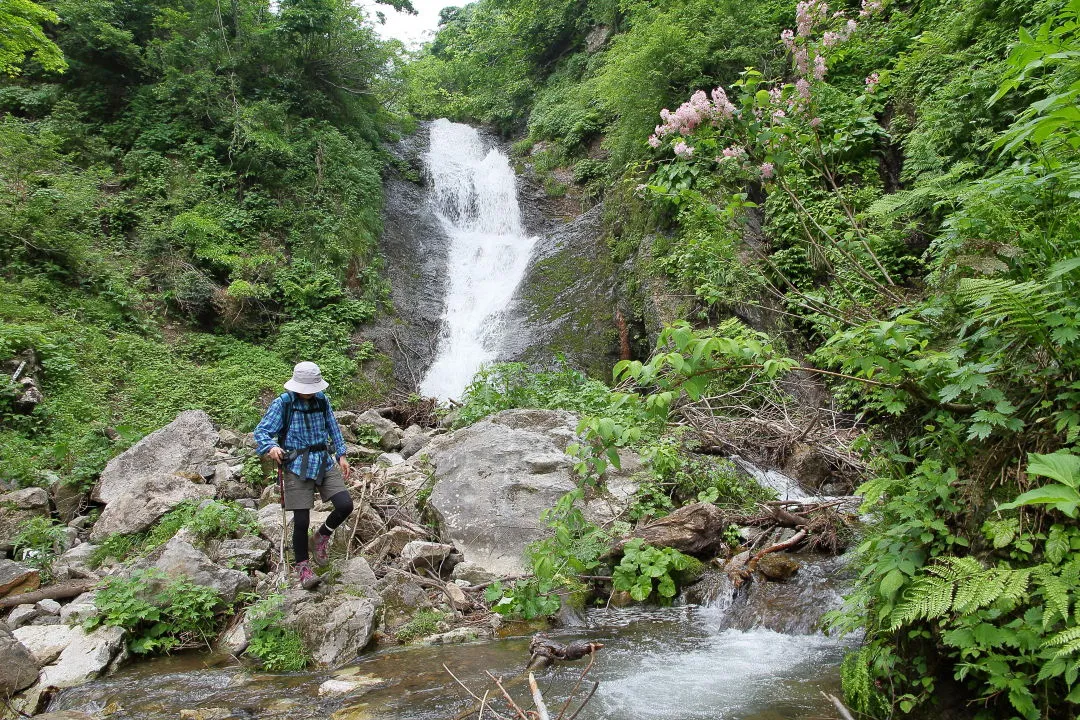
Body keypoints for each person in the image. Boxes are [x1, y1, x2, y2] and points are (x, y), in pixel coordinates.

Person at [254, 361, 353, 589]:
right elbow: (262, 431)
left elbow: (333, 426)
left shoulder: (322, 400)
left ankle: (320, 536)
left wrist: (342, 454)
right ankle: (303, 568)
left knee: (345, 504)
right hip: (296, 464)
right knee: (301, 520)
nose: (309, 393)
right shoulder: (284, 404)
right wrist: (271, 447)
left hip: (323, 460)